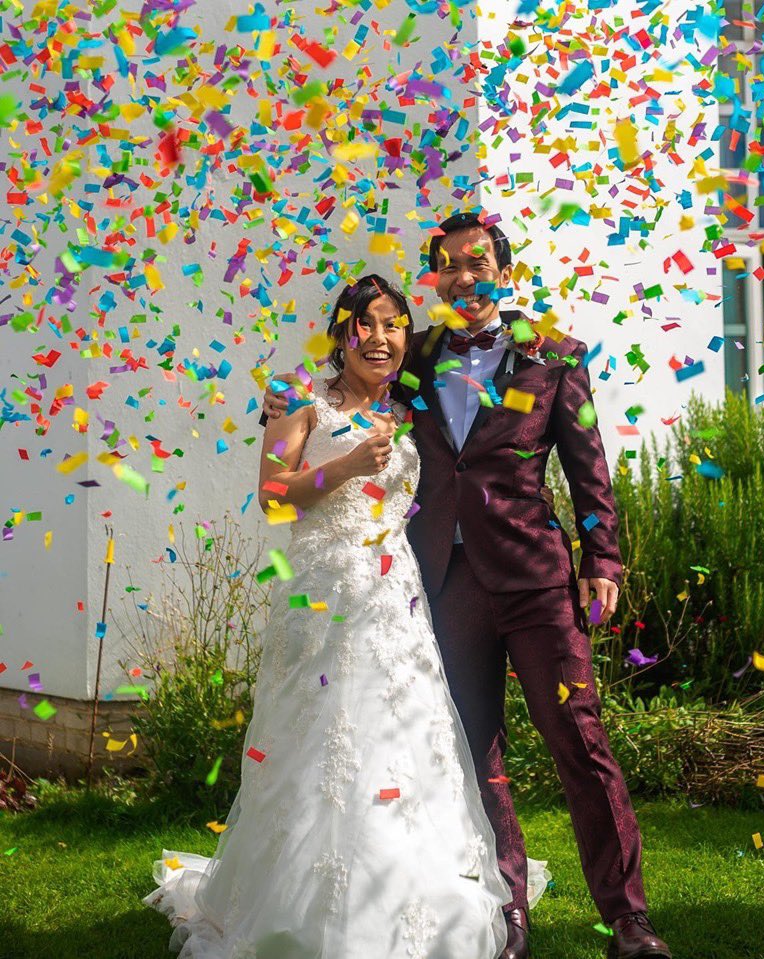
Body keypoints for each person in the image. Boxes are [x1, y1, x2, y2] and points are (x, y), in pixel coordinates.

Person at [263, 213, 672, 959]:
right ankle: (506, 913)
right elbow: (338, 386)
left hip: (536, 582)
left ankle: (629, 919)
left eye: (477, 262)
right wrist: (285, 405)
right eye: (449, 266)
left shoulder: (556, 356)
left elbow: (588, 467)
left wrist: (602, 558)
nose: (464, 277)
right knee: (476, 758)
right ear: (437, 279)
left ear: (502, 270)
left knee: (580, 743)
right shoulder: (408, 358)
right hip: (443, 588)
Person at [143, 274, 551, 959]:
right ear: (341, 333)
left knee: (406, 740)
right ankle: (300, 898)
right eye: (367, 324)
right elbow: (274, 496)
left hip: (397, 605)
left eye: (394, 324)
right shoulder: (300, 400)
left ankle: (408, 887)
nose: (381, 337)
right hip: (323, 600)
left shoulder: (411, 405)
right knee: (322, 746)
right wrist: (349, 463)